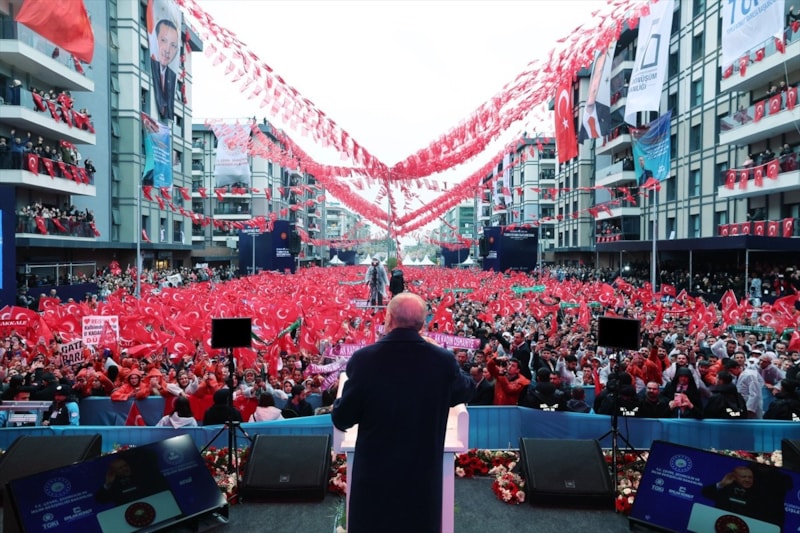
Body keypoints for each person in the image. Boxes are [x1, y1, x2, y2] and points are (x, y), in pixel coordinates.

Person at [331, 293, 474, 533]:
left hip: (375, 476)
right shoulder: (442, 360)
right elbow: (466, 390)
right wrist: (438, 352)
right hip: (421, 477)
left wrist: (338, 401)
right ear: (423, 323)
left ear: (388, 318)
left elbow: (343, 418)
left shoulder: (364, 360)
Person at [150, 19, 179, 122]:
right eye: (163, 40)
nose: (167, 50)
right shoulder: (150, 65)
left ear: (176, 51)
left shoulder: (173, 76)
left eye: (173, 45)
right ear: (155, 40)